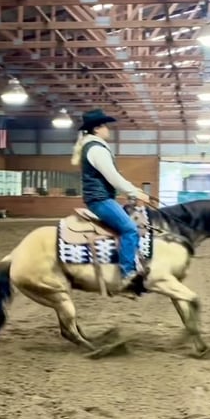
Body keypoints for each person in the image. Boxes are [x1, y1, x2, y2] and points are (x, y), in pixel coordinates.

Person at [71, 108, 151, 291]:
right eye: (105, 126)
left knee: (132, 219)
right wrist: (134, 192)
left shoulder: (93, 147)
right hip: (100, 200)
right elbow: (112, 177)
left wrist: (133, 190)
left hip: (101, 198)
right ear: (97, 128)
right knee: (130, 229)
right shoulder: (97, 149)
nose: (108, 129)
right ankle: (127, 275)